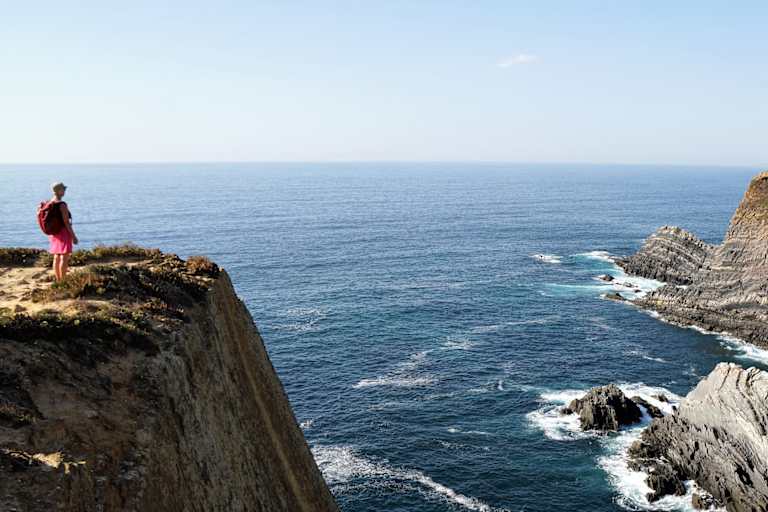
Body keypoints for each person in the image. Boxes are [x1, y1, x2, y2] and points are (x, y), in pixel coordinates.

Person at [47, 182, 78, 281]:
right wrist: (73, 236)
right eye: (63, 189)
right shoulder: (62, 204)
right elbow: (66, 222)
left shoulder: (50, 202)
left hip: (54, 233)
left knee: (56, 256)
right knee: (64, 257)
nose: (64, 191)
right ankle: (63, 280)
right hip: (63, 232)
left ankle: (58, 280)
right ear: (59, 191)